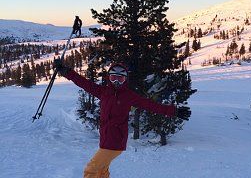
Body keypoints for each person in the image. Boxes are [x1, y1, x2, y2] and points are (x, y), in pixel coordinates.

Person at [54, 60, 191, 178]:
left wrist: (174, 111)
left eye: (120, 79)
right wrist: (66, 71)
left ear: (126, 79)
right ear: (109, 78)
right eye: (114, 78)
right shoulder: (104, 92)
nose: (116, 82)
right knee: (101, 171)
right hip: (105, 140)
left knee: (91, 169)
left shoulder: (128, 96)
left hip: (115, 142)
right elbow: (83, 83)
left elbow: (151, 105)